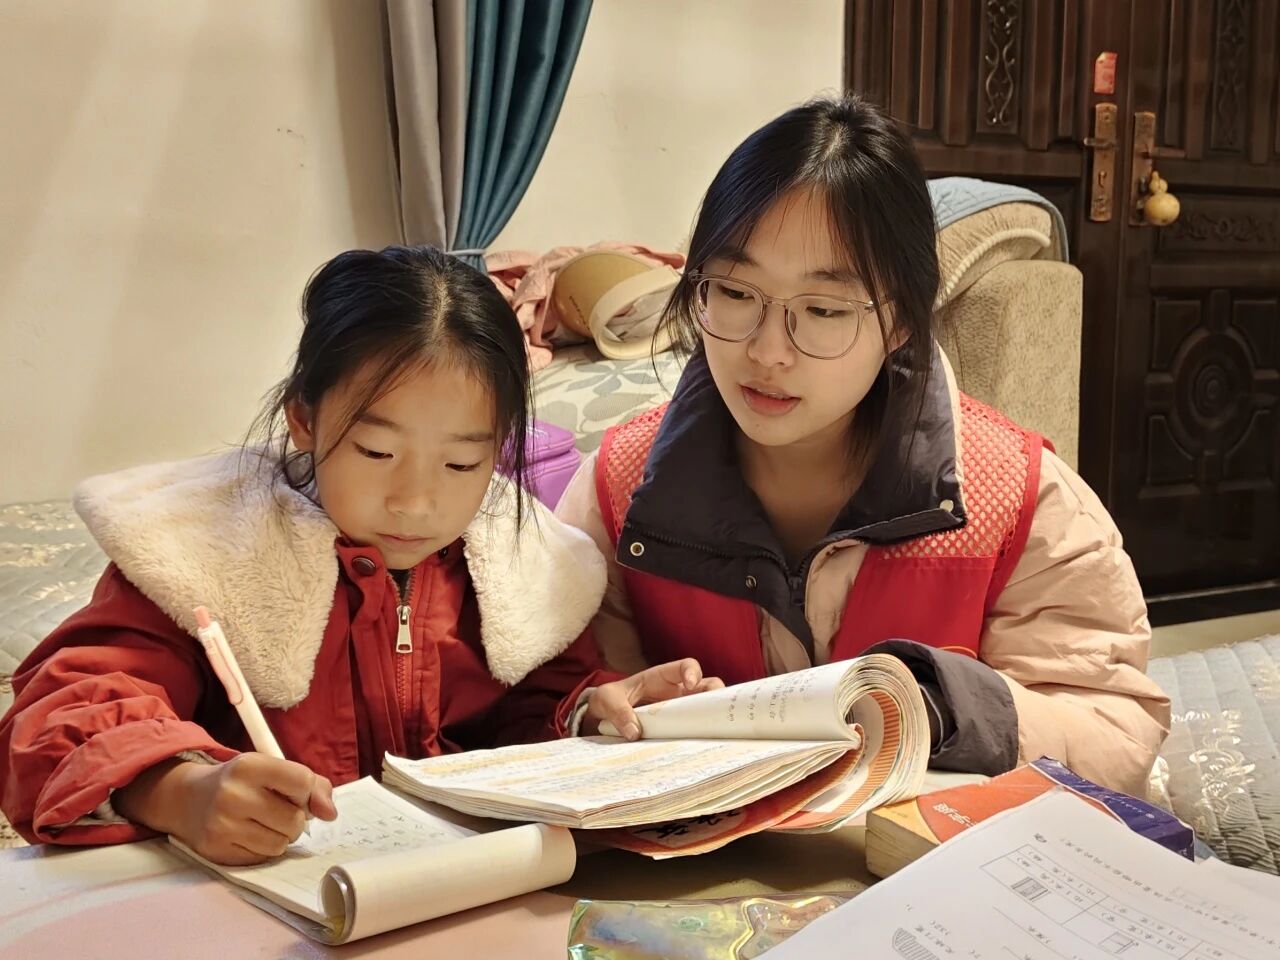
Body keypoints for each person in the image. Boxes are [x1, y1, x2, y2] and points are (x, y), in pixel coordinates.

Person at [0, 245, 717, 864]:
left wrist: (589, 709)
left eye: (461, 464)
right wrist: (177, 789)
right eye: (376, 451)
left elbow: (531, 705)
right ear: (305, 418)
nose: (416, 503)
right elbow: (61, 713)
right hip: (263, 894)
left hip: (451, 888)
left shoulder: (521, 558)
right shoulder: (201, 550)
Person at [557, 96, 1169, 795]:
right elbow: (542, 685)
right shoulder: (621, 487)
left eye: (822, 309)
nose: (767, 350)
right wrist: (589, 710)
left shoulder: (1015, 498)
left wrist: (948, 709)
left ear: (902, 321)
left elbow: (1115, 733)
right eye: (734, 292)